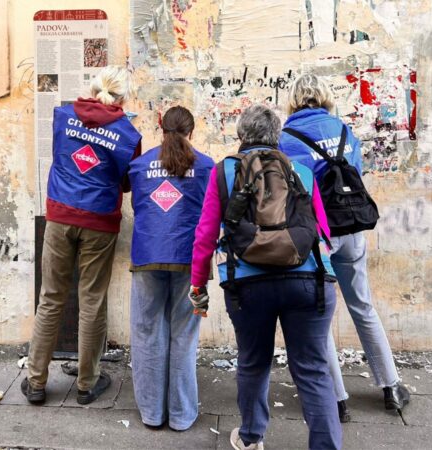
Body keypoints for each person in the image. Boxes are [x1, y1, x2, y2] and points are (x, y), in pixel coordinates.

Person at [191, 104, 342, 450]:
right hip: (309, 281)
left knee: (253, 362)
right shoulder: (301, 171)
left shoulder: (224, 171)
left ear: (241, 135)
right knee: (313, 370)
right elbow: (322, 231)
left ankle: (250, 437)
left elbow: (204, 236)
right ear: (277, 136)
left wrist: (198, 284)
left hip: (248, 285)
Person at [278, 74, 410, 423]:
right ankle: (392, 387)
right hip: (351, 229)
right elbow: (357, 172)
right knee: (362, 306)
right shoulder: (343, 130)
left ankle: (336, 399)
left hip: (316, 235)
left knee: (318, 316)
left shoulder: (285, 139)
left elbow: (289, 193)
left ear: (293, 100)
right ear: (324, 96)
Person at [22, 66, 142, 405]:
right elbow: (127, 184)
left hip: (60, 214)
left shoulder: (63, 116)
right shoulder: (128, 135)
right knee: (92, 300)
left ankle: (35, 381)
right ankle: (87, 384)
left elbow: (62, 154)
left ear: (92, 89)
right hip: (99, 220)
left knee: (50, 297)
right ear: (122, 98)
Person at [128, 106, 214, 431]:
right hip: (193, 261)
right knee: (185, 336)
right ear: (191, 132)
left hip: (146, 255)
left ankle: (152, 413)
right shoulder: (207, 166)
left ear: (160, 129)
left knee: (147, 333)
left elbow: (139, 205)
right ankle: (181, 416)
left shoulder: (139, 166)